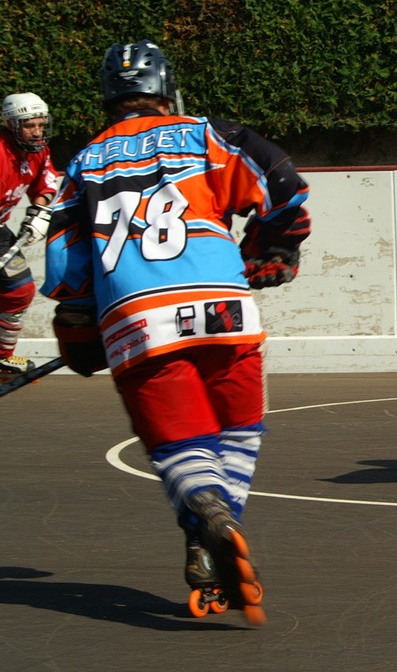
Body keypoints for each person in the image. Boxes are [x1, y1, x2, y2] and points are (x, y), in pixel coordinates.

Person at [43, 39, 311, 624]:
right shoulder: (209, 133)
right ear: (167, 91)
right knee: (239, 430)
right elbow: (284, 186)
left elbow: (65, 264)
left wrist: (79, 326)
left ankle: (204, 509)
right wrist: (272, 248)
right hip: (222, 308)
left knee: (177, 444)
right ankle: (211, 530)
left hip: (137, 320)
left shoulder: (82, 163)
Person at [0, 92, 61, 375]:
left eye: (40, 125)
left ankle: (2, 356)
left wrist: (39, 211)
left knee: (19, 290)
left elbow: (45, 186)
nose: (37, 132)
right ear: (11, 125)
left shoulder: (39, 152)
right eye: (29, 126)